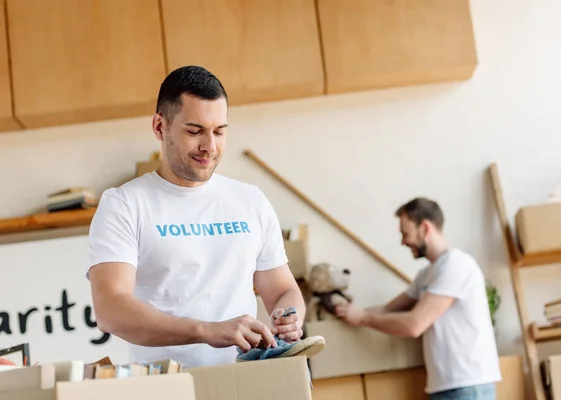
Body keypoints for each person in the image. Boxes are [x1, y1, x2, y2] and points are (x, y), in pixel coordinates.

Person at [86, 65, 306, 368]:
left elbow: (283, 290)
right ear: (160, 127)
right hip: (169, 387)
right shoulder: (124, 205)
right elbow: (110, 310)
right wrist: (207, 331)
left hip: (250, 380)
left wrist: (289, 316)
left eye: (219, 131)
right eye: (194, 131)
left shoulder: (250, 200)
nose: (210, 146)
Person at [335, 197, 502, 400]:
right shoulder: (427, 274)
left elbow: (415, 324)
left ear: (425, 228)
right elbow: (388, 309)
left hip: (468, 385)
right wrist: (346, 312)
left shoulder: (456, 265)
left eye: (406, 233)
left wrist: (363, 318)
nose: (403, 241)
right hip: (445, 386)